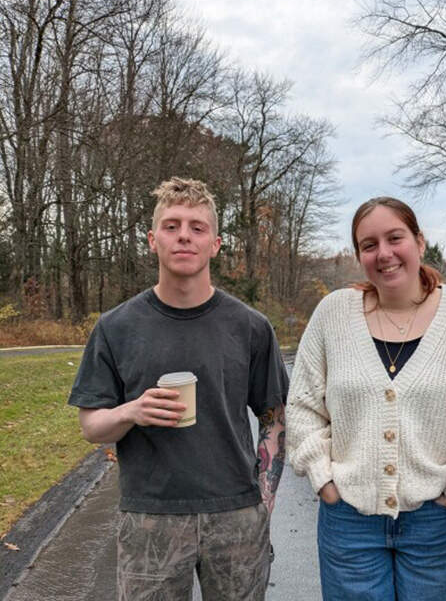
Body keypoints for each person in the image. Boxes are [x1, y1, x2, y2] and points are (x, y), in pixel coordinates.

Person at [68, 177, 288, 600]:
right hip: (150, 516)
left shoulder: (250, 327)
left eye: (197, 227)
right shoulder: (116, 327)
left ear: (216, 244)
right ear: (153, 240)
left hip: (236, 514)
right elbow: (92, 426)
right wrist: (131, 411)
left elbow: (274, 418)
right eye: (171, 226)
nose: (184, 235)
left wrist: (263, 500)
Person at [286, 197, 446, 600]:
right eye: (369, 244)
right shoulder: (334, 313)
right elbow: (303, 405)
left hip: (437, 523)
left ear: (419, 241)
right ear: (359, 255)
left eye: (394, 237)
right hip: (348, 522)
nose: (384, 253)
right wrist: (322, 477)